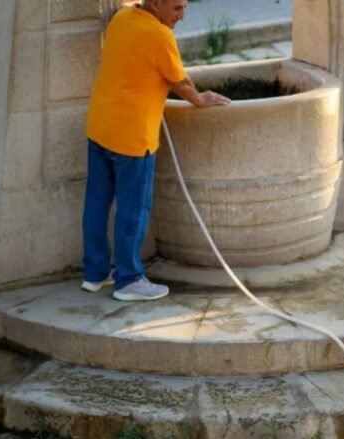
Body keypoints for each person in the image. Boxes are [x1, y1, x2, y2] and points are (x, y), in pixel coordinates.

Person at [81, 0, 230, 301]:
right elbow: (181, 82)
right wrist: (200, 100)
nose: (182, 15)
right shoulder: (160, 36)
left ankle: (95, 274)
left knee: (96, 204)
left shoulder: (123, 17)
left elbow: (129, 4)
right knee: (133, 211)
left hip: (100, 128)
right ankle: (129, 280)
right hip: (133, 139)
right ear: (157, 4)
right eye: (176, 8)